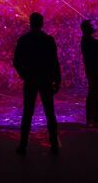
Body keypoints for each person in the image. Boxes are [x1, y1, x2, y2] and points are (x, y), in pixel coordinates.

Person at [13, 12, 61, 155]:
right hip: (45, 79)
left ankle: (23, 145)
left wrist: (24, 75)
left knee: (27, 113)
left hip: (31, 80)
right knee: (50, 113)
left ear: (30, 23)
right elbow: (54, 62)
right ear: (42, 23)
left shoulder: (23, 40)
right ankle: (54, 145)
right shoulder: (48, 40)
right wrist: (57, 80)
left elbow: (16, 61)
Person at [80, 20, 98, 128]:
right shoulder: (88, 40)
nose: (94, 27)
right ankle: (92, 119)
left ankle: (94, 119)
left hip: (94, 70)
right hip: (94, 71)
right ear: (88, 28)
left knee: (95, 94)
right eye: (92, 25)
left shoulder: (87, 40)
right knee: (94, 94)